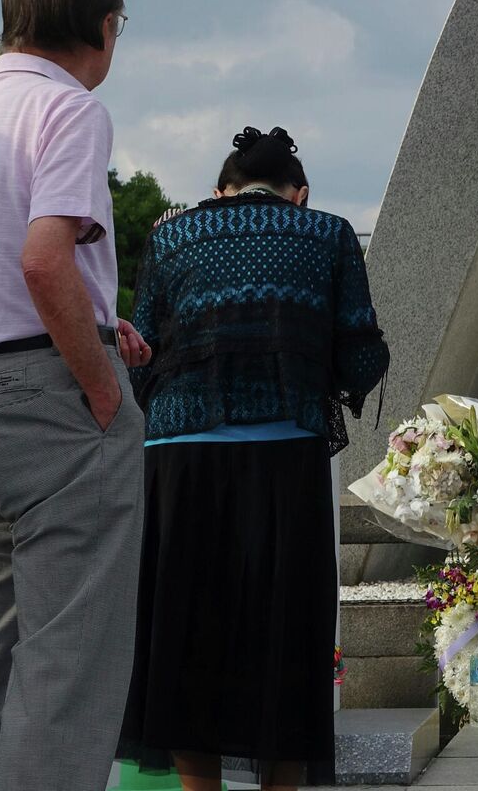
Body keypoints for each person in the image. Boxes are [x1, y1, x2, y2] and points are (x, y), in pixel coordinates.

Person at [0, 0, 151, 791]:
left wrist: (93, 319)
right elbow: (44, 262)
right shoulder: (70, 112)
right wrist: (98, 383)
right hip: (54, 411)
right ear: (101, 25)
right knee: (68, 669)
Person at [118, 127, 389, 790]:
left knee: (189, 638)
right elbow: (361, 355)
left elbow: (142, 348)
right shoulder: (328, 235)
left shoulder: (172, 236)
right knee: (284, 637)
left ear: (222, 191)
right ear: (298, 195)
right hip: (283, 458)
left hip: (180, 462)